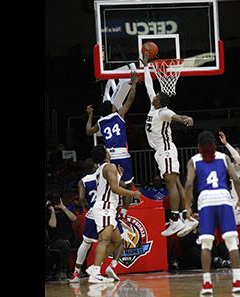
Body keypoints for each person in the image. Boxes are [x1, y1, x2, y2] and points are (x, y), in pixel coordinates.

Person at [139, 52, 198, 237]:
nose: (154, 95)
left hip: (165, 150)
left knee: (170, 184)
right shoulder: (152, 105)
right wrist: (146, 66)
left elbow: (175, 116)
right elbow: (148, 84)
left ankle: (175, 220)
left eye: (156, 96)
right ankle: (186, 217)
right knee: (175, 183)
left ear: (160, 101)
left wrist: (185, 119)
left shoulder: (164, 111)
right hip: (161, 152)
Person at [184, 131, 240, 294]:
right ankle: (238, 281)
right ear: (214, 145)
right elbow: (236, 180)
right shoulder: (224, 158)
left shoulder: (194, 160)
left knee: (206, 244)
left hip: (206, 200)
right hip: (224, 197)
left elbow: (188, 184)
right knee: (232, 242)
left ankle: (207, 284)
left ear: (198, 146)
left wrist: (188, 206)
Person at [86, 71, 140, 229]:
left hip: (108, 157)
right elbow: (130, 99)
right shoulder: (119, 114)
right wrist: (134, 83)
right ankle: (123, 214)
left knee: (115, 186)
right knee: (129, 185)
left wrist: (90, 115)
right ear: (111, 109)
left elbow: (88, 131)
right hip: (122, 153)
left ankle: (115, 213)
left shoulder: (101, 122)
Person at [88, 144, 142, 283]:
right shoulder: (110, 167)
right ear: (106, 154)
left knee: (117, 241)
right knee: (104, 240)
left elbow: (115, 185)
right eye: (107, 150)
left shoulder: (102, 168)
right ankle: (95, 272)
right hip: (105, 207)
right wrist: (133, 193)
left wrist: (119, 177)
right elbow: (115, 188)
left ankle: (96, 267)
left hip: (108, 209)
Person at [69, 158, 125, 283]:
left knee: (86, 242)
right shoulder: (103, 173)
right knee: (119, 239)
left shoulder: (82, 181)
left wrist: (86, 207)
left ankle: (76, 274)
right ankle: (111, 265)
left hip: (92, 212)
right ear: (96, 165)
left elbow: (82, 198)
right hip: (106, 209)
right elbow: (117, 187)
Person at [45, 193, 78, 280]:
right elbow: (53, 225)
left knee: (85, 242)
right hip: (55, 241)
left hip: (69, 239)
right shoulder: (48, 214)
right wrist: (52, 210)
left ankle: (80, 269)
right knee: (65, 244)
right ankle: (63, 271)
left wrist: (63, 207)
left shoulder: (64, 212)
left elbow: (74, 218)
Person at [218, 131, 240, 229]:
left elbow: (236, 157)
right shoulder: (231, 166)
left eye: (236, 151)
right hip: (232, 200)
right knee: (232, 230)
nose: (234, 153)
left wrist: (225, 143)